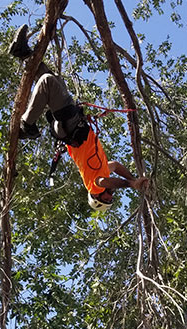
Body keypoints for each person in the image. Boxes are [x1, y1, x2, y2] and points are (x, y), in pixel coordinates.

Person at [9, 25, 148, 211]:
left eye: (108, 197)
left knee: (48, 83)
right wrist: (133, 179)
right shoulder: (104, 171)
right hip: (74, 125)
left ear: (97, 197)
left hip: (72, 129)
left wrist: (130, 185)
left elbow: (106, 181)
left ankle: (27, 126)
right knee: (55, 81)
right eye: (111, 196)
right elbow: (115, 165)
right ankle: (24, 52)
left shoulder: (94, 184)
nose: (110, 194)